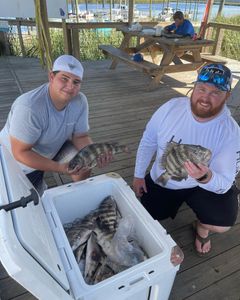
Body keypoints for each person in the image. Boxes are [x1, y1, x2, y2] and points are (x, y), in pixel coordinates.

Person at [133, 63, 240, 257]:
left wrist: (205, 177)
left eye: (215, 92)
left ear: (227, 96)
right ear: (194, 87)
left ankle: (202, 227)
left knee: (223, 223)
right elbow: (149, 139)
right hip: (164, 179)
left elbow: (224, 183)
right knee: (148, 217)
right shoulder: (171, 107)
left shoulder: (231, 132)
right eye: (202, 89)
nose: (205, 98)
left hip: (201, 186)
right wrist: (138, 175)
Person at [0, 54, 111, 195]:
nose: (70, 86)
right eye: (64, 79)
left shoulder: (80, 101)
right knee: (32, 205)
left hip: (51, 147)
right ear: (51, 77)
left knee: (85, 162)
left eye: (76, 82)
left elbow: (80, 136)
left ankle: (80, 195)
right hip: (16, 162)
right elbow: (20, 152)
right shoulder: (29, 107)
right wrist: (60, 167)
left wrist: (95, 153)